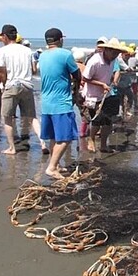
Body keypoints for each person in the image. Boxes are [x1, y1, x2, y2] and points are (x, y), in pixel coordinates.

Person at [0, 24, 48, 155]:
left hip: (12, 85)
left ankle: (12, 148)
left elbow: (2, 71)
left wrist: (2, 84)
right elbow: (34, 70)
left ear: (5, 36)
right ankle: (43, 143)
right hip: (27, 85)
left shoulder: (3, 51)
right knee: (32, 117)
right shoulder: (27, 50)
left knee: (6, 117)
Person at [38, 28, 81, 178]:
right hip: (61, 103)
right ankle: (51, 167)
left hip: (46, 103)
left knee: (54, 137)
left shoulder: (42, 56)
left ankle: (56, 164)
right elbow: (77, 75)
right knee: (66, 138)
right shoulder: (66, 54)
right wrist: (76, 93)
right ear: (60, 40)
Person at [83, 37, 128, 153]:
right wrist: (101, 84)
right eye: (112, 51)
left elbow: (114, 72)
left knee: (108, 121)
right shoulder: (95, 61)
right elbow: (85, 78)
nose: (114, 54)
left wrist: (112, 82)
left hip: (107, 94)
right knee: (97, 121)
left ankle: (103, 145)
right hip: (93, 95)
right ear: (106, 50)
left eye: (117, 52)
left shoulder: (113, 60)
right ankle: (91, 139)